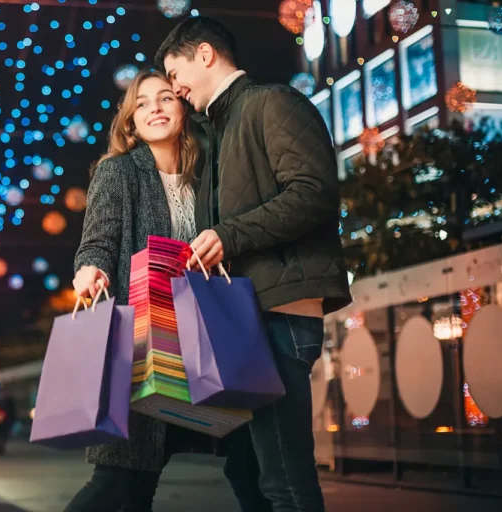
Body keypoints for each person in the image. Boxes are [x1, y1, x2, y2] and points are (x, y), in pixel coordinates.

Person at [155, 16, 352, 512]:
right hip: (246, 317)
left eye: (175, 72)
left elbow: (313, 195)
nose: (173, 87)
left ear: (204, 54)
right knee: (249, 472)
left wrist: (227, 235)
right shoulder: (216, 131)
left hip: (280, 309)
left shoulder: (272, 102)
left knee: (285, 480)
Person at [67, 70, 215, 512]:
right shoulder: (119, 172)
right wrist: (88, 271)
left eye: (166, 97)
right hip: (142, 339)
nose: (155, 107)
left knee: (142, 482)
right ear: (131, 120)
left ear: (182, 108)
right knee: (119, 477)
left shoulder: (206, 174)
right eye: (143, 101)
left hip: (196, 338)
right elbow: (97, 240)